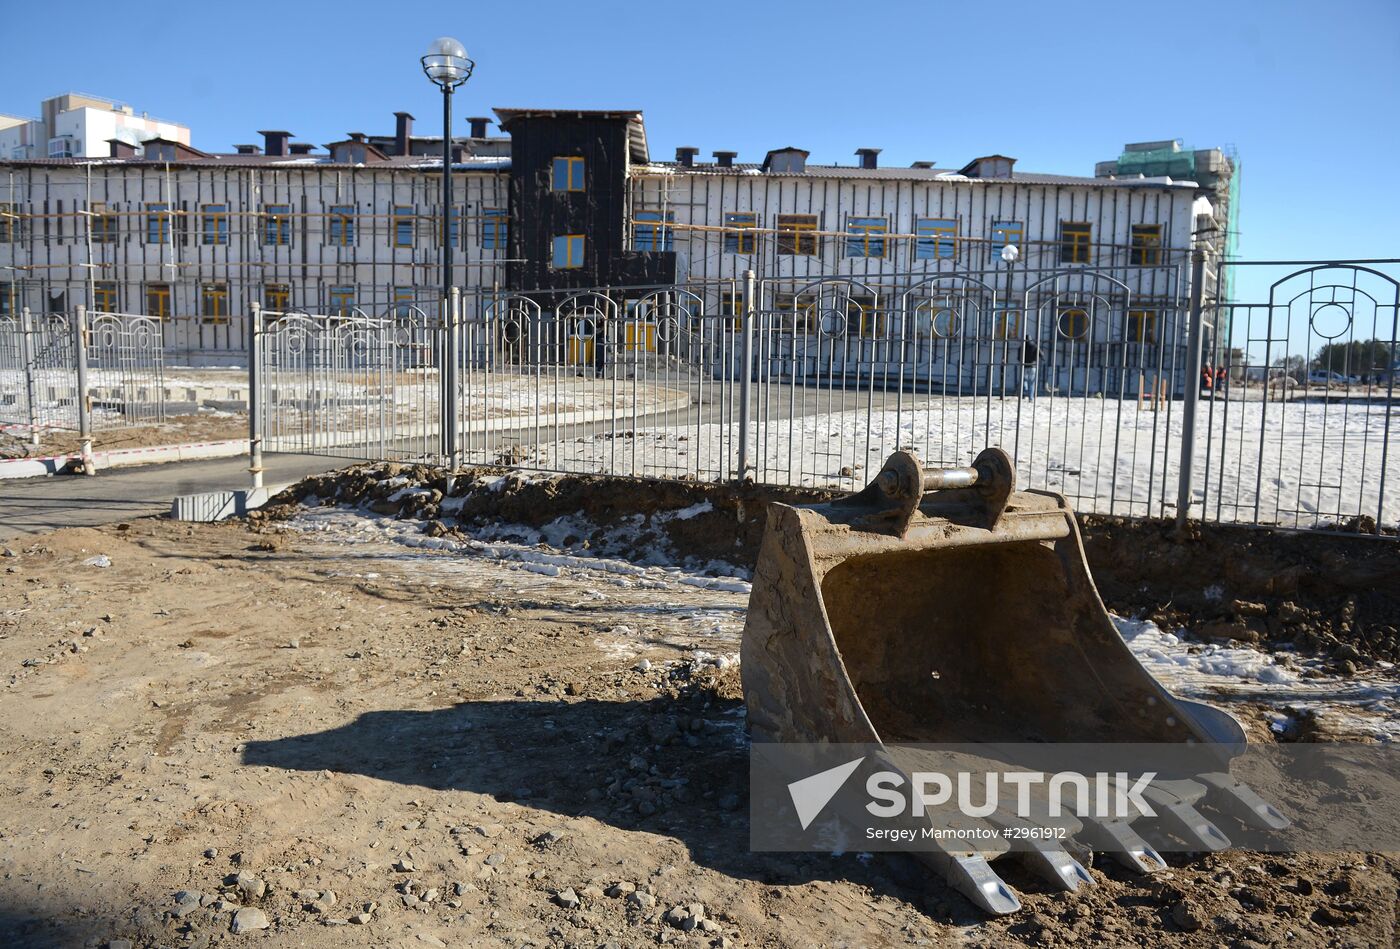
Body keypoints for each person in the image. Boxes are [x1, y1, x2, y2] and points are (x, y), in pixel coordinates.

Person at [1021, 336, 1039, 400]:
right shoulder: (1034, 346)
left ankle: (1024, 392)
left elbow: (1018, 357)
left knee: (1023, 380)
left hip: (1024, 366)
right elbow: (1041, 354)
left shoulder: (1022, 347)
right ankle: (1031, 398)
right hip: (1032, 366)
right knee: (1031, 382)